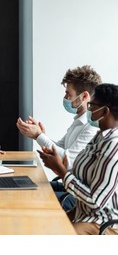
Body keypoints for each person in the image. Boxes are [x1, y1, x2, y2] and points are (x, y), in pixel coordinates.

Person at [16, 65, 102, 210]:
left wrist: (39, 135)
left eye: (68, 94)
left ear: (85, 96)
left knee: (30, 199)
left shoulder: (91, 127)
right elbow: (61, 147)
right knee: (26, 188)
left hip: (78, 195)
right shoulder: (78, 121)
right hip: (68, 185)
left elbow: (67, 159)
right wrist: (41, 135)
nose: (65, 98)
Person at [38, 83, 118, 235]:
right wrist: (57, 165)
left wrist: (62, 171)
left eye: (92, 106)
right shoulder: (99, 138)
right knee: (41, 226)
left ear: (105, 111)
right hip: (82, 215)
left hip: (103, 224)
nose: (88, 109)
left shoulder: (113, 146)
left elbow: (96, 201)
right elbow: (80, 173)